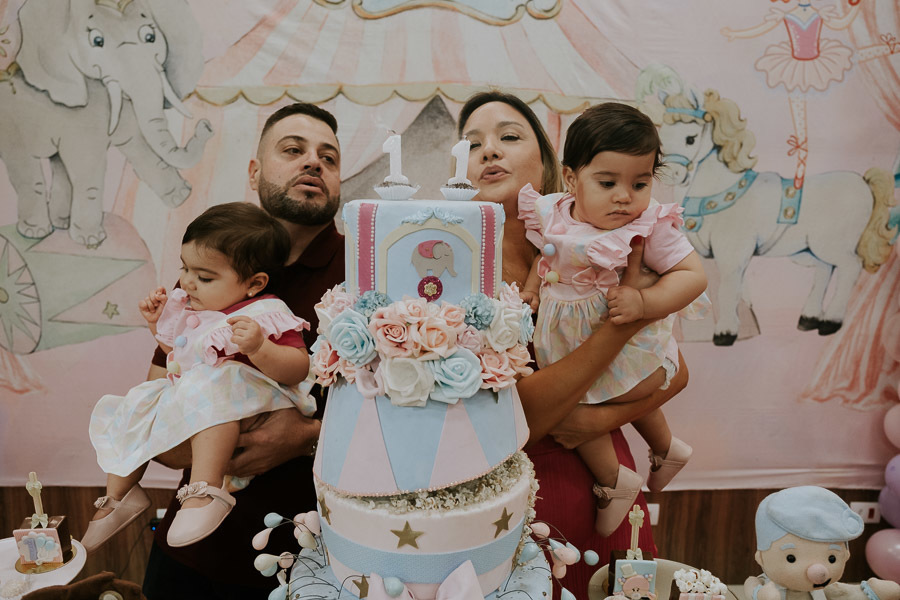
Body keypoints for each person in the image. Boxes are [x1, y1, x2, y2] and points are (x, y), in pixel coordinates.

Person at [458, 91, 689, 598]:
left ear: (548, 161)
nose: (489, 151)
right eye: (473, 143)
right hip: (509, 499)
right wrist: (617, 328)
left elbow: (673, 370)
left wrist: (599, 420)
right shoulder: (454, 264)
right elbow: (532, 417)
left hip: (609, 483)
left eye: (509, 136)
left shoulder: (611, 237)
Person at [141, 103, 345, 599]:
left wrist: (310, 435)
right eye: (293, 150)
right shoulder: (204, 275)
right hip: (192, 553)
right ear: (254, 173)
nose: (313, 163)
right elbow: (157, 412)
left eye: (329, 157)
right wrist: (211, 443)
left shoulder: (366, 275)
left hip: (317, 561)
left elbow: (401, 422)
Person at [517, 103, 708, 536]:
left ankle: (616, 480)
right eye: (608, 183)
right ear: (571, 178)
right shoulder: (555, 212)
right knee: (584, 388)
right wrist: (531, 289)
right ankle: (665, 448)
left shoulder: (645, 227)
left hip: (623, 340)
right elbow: (547, 256)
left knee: (587, 398)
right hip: (568, 342)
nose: (625, 196)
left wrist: (645, 302)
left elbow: (693, 276)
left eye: (640, 183)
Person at [84, 202, 311, 552]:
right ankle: (119, 496)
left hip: (255, 406)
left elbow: (298, 366)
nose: (188, 282)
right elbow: (182, 354)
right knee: (141, 399)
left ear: (254, 284)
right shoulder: (196, 309)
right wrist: (156, 325)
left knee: (212, 385)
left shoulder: (264, 313)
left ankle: (206, 490)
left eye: (204, 277)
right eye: (184, 268)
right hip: (205, 401)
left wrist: (259, 348)